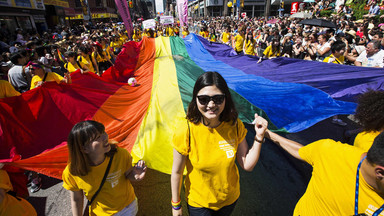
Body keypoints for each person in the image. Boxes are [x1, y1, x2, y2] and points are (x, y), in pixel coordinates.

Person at [171, 72, 267, 216]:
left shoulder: (235, 125)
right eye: (203, 99)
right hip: (199, 204)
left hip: (229, 200)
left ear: (225, 99)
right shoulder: (185, 130)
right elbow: (177, 172)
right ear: (195, 99)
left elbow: (247, 164)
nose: (211, 105)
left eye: (217, 99)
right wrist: (176, 205)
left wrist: (259, 137)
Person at [258, 117, 384, 216]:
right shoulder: (331, 152)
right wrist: (267, 133)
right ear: (380, 172)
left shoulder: (331, 150)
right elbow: (301, 151)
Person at [62, 120, 147, 216]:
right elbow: (77, 199)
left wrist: (135, 176)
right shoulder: (72, 172)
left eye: (103, 132)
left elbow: (128, 174)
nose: (105, 137)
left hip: (128, 208)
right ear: (84, 148)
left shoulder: (120, 154)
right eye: (97, 137)